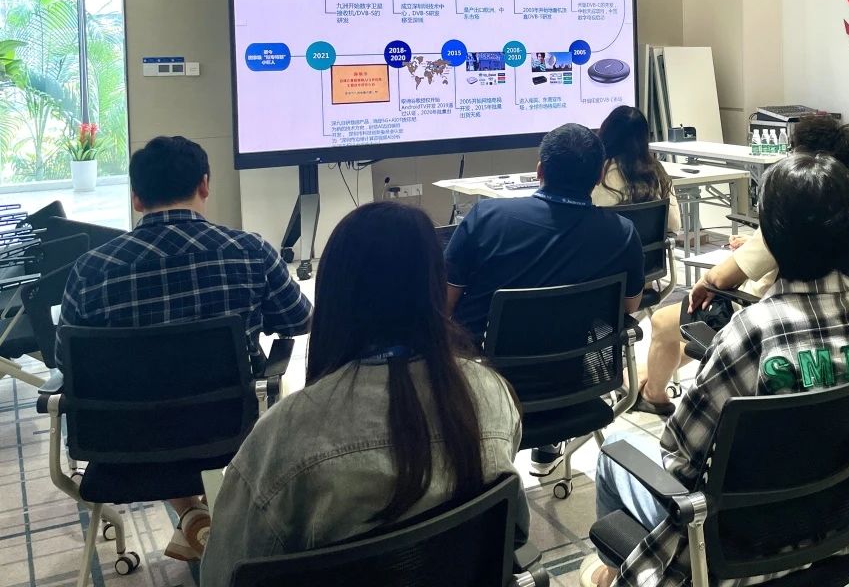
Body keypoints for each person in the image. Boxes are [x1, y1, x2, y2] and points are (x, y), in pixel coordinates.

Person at [579, 153, 849, 587]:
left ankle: (617, 575)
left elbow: (681, 458)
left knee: (614, 450)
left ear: (770, 238)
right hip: (830, 531)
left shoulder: (753, 333)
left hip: (731, 550)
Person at [201, 203, 524, 587]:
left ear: (333, 294)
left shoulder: (281, 440)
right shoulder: (491, 394)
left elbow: (223, 576)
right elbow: (515, 527)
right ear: (436, 288)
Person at [57, 135, 312, 561]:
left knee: (156, 398)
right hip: (229, 431)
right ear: (205, 184)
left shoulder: (90, 270)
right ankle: (209, 516)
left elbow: (67, 362)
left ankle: (192, 516)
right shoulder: (249, 251)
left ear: (137, 198)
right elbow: (299, 320)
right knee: (198, 401)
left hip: (123, 442)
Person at [633, 114, 849, 417]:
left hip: (765, 309)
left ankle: (654, 396)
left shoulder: (798, 210)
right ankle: (648, 375)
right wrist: (755, 242)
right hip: (831, 308)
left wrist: (707, 280)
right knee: (688, 336)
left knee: (663, 322)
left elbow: (722, 278)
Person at [445, 122, 644, 475]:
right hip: (572, 383)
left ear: (539, 170)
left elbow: (444, 304)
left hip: (484, 385)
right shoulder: (622, 234)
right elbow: (629, 307)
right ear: (599, 176)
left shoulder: (486, 218)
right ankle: (549, 444)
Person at [592, 104, 680, 234]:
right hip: (650, 247)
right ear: (644, 139)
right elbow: (674, 224)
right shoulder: (656, 172)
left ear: (605, 132)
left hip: (608, 246)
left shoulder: (596, 171)